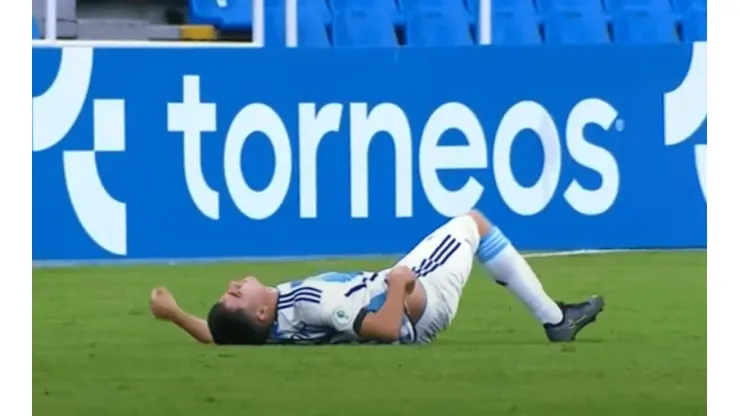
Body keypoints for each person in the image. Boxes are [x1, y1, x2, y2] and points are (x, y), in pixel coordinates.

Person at [149, 210, 605, 345]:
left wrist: (174, 315)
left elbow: (220, 337)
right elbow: (386, 330)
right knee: (473, 224)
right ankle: (554, 320)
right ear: (263, 310)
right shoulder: (311, 302)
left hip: (397, 296)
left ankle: (555, 317)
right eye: (236, 295)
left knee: (471, 227)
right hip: (415, 302)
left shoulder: (259, 332)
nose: (234, 284)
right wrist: (399, 285)